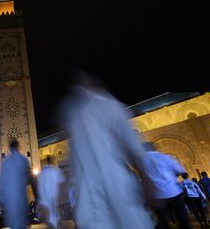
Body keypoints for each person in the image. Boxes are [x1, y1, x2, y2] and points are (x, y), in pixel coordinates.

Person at [59, 68, 154, 229]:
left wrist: (62, 203)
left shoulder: (72, 115)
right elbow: (131, 148)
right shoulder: (106, 106)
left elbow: (70, 168)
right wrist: (149, 182)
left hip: (94, 198)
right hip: (115, 191)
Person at [143, 142, 191, 229]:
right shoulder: (164, 157)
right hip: (173, 192)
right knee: (182, 218)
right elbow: (180, 170)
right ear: (153, 148)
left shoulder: (142, 161)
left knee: (163, 221)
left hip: (157, 196)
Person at [0, 139, 33, 229]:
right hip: (21, 200)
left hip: (10, 203)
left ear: (10, 148)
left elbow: (0, 184)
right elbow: (30, 177)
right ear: (17, 146)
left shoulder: (5, 163)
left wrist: (0, 201)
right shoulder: (23, 159)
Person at [37, 156, 65, 229]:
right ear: (52, 161)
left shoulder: (41, 174)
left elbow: (39, 191)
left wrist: (42, 205)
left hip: (46, 207)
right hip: (56, 205)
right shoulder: (56, 171)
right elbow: (62, 187)